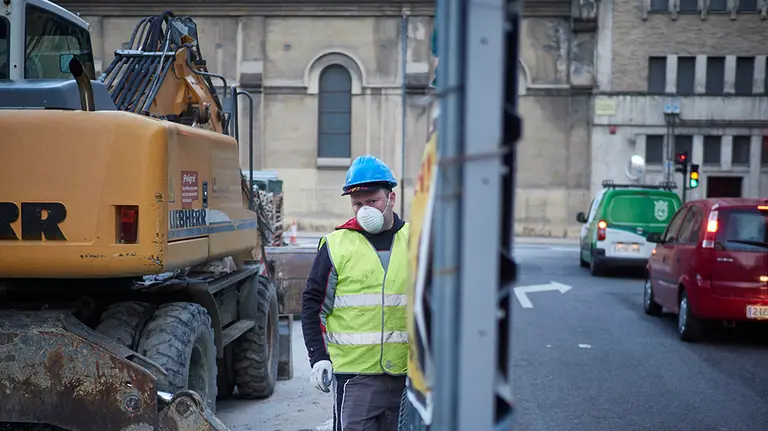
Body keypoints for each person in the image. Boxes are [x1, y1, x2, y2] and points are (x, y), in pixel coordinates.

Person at [301, 155, 409, 431]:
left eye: (372, 202)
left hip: (407, 375)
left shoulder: (416, 239)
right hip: (355, 377)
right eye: (357, 204)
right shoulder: (336, 245)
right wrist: (319, 357)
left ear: (391, 198)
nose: (364, 210)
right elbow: (314, 305)